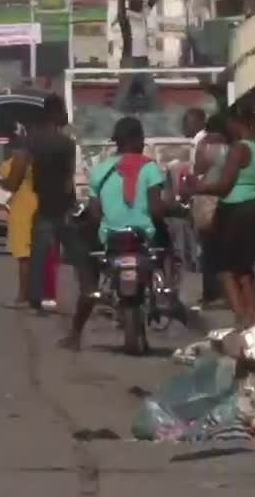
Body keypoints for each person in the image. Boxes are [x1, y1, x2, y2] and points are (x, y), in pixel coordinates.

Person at [59, 116, 171, 350]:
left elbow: (94, 213)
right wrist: (175, 208)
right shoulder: (149, 167)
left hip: (111, 237)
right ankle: (168, 290)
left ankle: (75, 334)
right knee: (167, 248)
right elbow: (156, 209)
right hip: (142, 237)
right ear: (136, 139)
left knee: (90, 284)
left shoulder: (100, 171)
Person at [186, 107, 255, 328]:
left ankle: (240, 315)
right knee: (245, 268)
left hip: (234, 211)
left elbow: (225, 186)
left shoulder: (238, 149)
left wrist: (197, 188)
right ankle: (250, 314)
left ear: (238, 123)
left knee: (225, 268)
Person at [0, 95, 89, 313]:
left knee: (38, 254)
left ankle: (34, 299)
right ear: (55, 113)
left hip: (42, 203)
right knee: (77, 254)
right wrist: (71, 204)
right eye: (63, 111)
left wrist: (7, 184)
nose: (66, 115)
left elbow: (18, 171)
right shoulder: (67, 144)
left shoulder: (32, 141)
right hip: (62, 204)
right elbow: (68, 178)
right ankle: (89, 291)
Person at [190, 113, 232, 309]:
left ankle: (211, 294)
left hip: (207, 199)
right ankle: (228, 294)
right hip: (227, 198)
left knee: (208, 249)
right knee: (226, 248)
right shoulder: (233, 146)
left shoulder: (205, 145)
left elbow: (198, 169)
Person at [0, 123, 39, 309]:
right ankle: (36, 295)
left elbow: (11, 184)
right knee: (35, 254)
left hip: (24, 208)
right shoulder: (40, 157)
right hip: (40, 206)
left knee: (24, 256)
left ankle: (23, 297)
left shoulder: (20, 158)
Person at [113, 0, 159, 111]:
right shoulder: (125, 18)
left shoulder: (143, 15)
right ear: (131, 2)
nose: (141, 3)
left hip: (143, 61)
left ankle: (153, 113)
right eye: (138, 1)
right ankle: (116, 114)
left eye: (141, 1)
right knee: (123, 93)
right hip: (129, 61)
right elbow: (121, 8)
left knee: (151, 92)